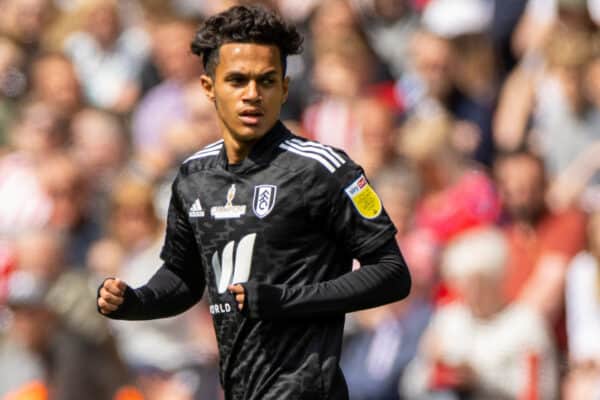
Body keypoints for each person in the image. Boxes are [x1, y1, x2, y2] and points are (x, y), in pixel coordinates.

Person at [96, 5, 411, 400]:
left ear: (284, 87)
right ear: (209, 87)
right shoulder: (193, 176)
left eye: (266, 81)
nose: (252, 95)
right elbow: (183, 277)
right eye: (237, 80)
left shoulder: (324, 169)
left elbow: (393, 273)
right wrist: (137, 301)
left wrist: (286, 300)